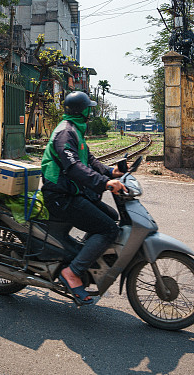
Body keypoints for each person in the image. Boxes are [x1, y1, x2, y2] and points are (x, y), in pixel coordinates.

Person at [41, 91, 126, 305]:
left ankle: (81, 257)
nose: (91, 111)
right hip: (60, 196)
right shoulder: (65, 133)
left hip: (71, 192)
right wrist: (104, 183)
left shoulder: (75, 131)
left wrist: (110, 172)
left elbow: (89, 160)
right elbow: (75, 167)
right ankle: (72, 272)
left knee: (111, 215)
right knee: (109, 228)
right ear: (83, 111)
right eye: (89, 107)